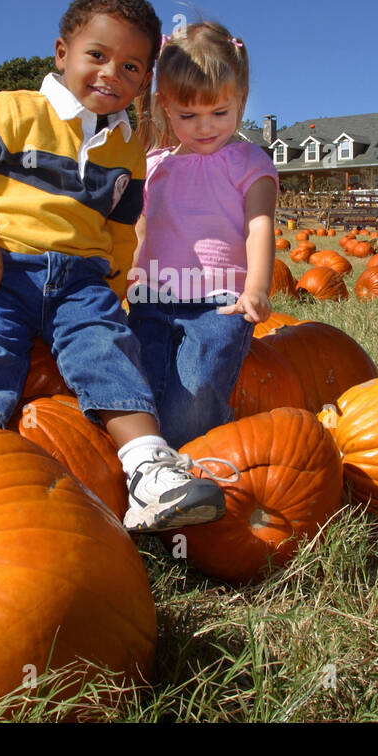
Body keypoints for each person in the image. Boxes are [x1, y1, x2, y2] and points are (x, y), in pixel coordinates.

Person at [0, 0, 229, 534]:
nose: (112, 74)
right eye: (98, 56)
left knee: (108, 351)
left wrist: (113, 285)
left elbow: (118, 226)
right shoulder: (8, 111)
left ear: (146, 80)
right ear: (62, 52)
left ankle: (148, 469)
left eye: (132, 67)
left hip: (81, 280)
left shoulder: (127, 148)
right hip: (1, 265)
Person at [127, 22, 278, 449]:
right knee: (142, 387)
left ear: (241, 101)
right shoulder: (156, 164)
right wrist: (133, 274)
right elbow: (143, 224)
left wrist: (257, 288)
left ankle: (197, 454)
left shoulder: (248, 161)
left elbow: (259, 225)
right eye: (187, 115)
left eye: (219, 112)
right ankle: (144, 461)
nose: (204, 127)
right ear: (164, 105)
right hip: (152, 297)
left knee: (194, 392)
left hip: (219, 303)